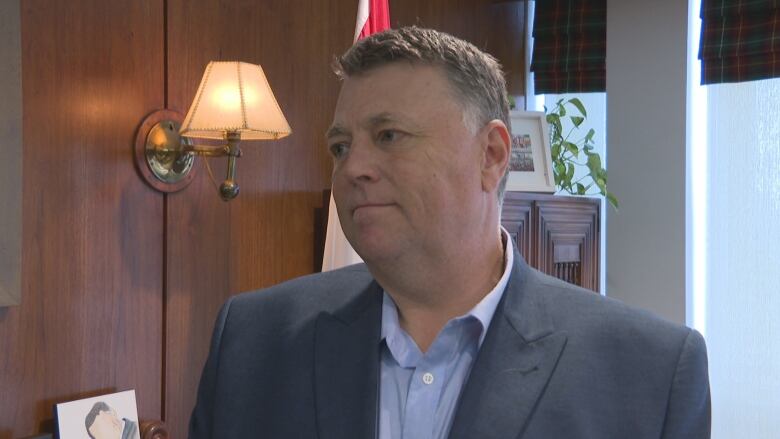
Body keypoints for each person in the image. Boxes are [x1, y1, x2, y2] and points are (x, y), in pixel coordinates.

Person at [189, 26, 710, 439]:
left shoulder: (649, 372)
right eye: (341, 146)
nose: (353, 169)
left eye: (389, 136)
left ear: (492, 156)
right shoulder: (253, 340)